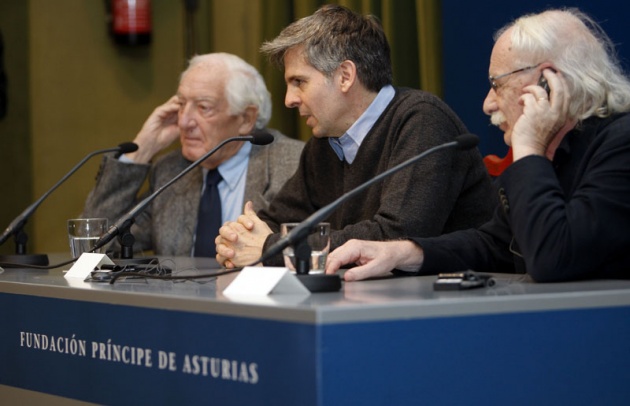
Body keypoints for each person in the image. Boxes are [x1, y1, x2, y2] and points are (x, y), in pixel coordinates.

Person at [325, 8, 630, 283]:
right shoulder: (554, 150)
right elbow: (496, 244)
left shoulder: (621, 144)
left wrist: (528, 146)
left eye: (497, 85)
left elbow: (553, 257)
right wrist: (401, 253)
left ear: (546, 82)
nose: (487, 104)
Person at [215, 5, 495, 268]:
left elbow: (395, 236)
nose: (289, 100)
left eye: (299, 82)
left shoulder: (422, 121)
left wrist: (272, 249)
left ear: (345, 76)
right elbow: (277, 221)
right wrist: (239, 240)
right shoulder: (324, 143)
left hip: (457, 304)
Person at [83, 52, 304, 257]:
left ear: (246, 119)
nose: (184, 121)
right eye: (181, 105)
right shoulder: (171, 170)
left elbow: (305, 253)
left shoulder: (292, 164)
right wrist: (143, 149)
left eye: (203, 107)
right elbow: (97, 245)